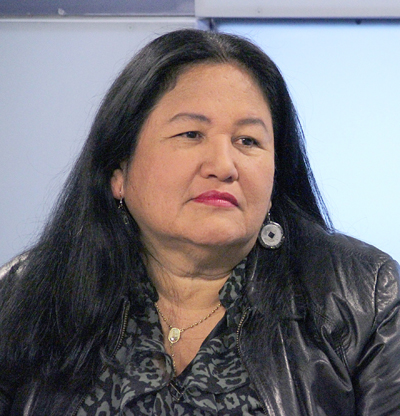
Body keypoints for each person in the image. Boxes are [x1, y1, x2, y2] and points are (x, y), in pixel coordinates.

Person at [0, 28, 399, 416]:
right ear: (118, 171)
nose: (223, 166)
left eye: (247, 141)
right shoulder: (21, 296)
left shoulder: (367, 298)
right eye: (191, 134)